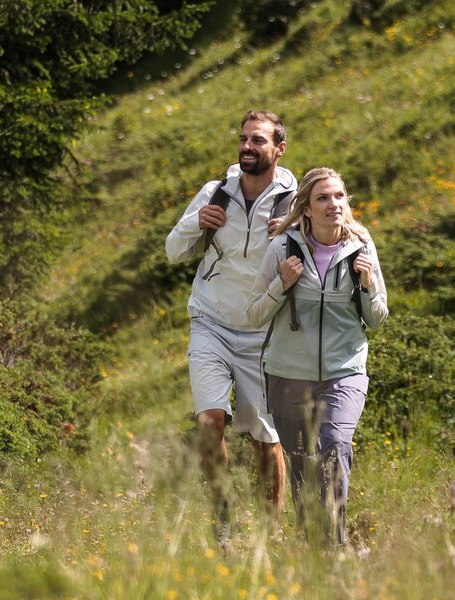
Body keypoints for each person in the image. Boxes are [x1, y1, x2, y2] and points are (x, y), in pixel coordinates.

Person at [163, 110, 295, 547]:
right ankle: (222, 522)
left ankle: (268, 535)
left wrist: (291, 234)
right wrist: (196, 222)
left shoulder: (294, 200)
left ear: (278, 148)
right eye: (242, 139)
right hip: (211, 322)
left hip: (263, 329)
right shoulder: (215, 192)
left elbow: (320, 256)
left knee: (265, 439)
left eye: (257, 140)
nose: (246, 147)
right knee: (209, 421)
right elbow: (172, 250)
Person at [243, 167, 387, 546]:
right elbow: (254, 313)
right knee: (304, 469)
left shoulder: (362, 247)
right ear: (305, 207)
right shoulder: (282, 248)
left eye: (339, 196)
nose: (333, 205)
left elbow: (377, 319)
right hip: (288, 376)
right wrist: (281, 284)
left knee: (335, 447)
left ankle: (335, 546)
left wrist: (369, 285)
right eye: (323, 198)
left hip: (344, 372)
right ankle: (313, 552)